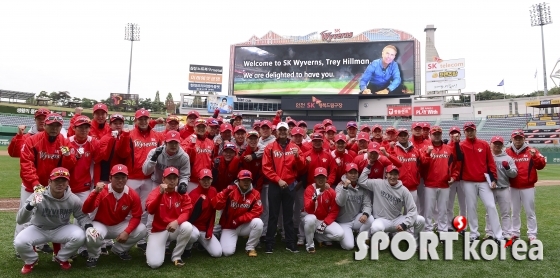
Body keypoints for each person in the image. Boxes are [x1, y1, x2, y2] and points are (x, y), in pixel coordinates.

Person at [18, 113, 77, 257]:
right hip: (32, 185)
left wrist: (68, 156)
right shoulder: (33, 140)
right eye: (51, 125)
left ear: (60, 127)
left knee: (57, 216)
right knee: (26, 215)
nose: (54, 128)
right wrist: (35, 184)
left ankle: (54, 248)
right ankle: (23, 249)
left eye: (57, 126)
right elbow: (26, 164)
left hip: (55, 187)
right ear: (45, 125)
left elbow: (70, 166)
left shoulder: (64, 142)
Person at [15, 167, 91, 274]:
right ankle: (31, 260)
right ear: (49, 182)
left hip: (61, 229)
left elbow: (82, 216)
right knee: (19, 241)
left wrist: (89, 227)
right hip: (39, 228)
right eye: (56, 180)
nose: (60, 184)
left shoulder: (73, 199)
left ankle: (61, 257)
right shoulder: (38, 195)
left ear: (67, 183)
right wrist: (30, 205)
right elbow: (20, 220)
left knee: (80, 235)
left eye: (63, 180)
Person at [82, 164, 147, 267]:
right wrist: (94, 193)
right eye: (116, 177)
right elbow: (86, 209)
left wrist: (127, 232)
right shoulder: (102, 191)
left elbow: (137, 216)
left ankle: (119, 250)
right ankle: (93, 256)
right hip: (100, 224)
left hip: (118, 225)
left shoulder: (132, 194)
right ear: (110, 178)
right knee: (92, 233)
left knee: (142, 229)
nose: (120, 180)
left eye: (123, 177)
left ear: (127, 178)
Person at [117, 108, 163, 250]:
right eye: (140, 119)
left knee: (144, 210)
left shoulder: (156, 135)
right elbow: (121, 153)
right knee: (126, 209)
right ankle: (121, 237)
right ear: (135, 120)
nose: (143, 121)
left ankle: (141, 240)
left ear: (149, 120)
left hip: (149, 178)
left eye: (145, 119)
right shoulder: (129, 134)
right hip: (132, 177)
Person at [262, 122, 306, 253]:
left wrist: (298, 158)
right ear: (276, 132)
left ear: (288, 132)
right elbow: (266, 168)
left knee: (288, 215)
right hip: (275, 185)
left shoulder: (295, 148)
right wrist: (278, 180)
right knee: (273, 215)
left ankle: (290, 243)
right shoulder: (270, 147)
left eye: (284, 130)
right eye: (280, 130)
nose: (282, 132)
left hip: (290, 185)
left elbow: (302, 168)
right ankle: (269, 243)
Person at [358, 165, 425, 247]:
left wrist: (405, 224)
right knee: (376, 228)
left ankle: (418, 245)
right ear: (386, 175)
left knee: (420, 220)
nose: (393, 177)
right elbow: (361, 181)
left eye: (395, 174)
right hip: (381, 220)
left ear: (398, 176)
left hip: (397, 220)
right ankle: (377, 239)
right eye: (390, 174)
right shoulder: (378, 183)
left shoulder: (403, 190)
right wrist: (369, 166)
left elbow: (412, 209)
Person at [458, 122, 502, 243]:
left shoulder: (484, 144)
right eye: (467, 130)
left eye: (471, 130)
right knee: (471, 207)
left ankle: (498, 235)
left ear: (475, 130)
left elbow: (490, 162)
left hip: (483, 181)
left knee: (491, 206)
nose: (470, 132)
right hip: (467, 181)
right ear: (464, 132)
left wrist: (493, 179)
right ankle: (474, 233)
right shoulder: (461, 145)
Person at [145, 167, 193, 268]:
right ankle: (159, 248)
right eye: (169, 178)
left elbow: (186, 211)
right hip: (158, 230)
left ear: (178, 180)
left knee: (188, 227)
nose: (172, 180)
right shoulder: (155, 192)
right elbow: (150, 210)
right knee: (154, 264)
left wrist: (177, 221)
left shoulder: (181, 193)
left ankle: (176, 256)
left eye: (174, 178)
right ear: (163, 179)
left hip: (174, 228)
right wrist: (160, 195)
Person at [506, 130, 546, 242]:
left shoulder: (532, 151)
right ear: (512, 139)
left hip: (528, 187)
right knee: (514, 212)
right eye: (516, 138)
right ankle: (514, 233)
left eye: (520, 138)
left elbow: (541, 165)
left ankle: (532, 234)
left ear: (524, 139)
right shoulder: (507, 152)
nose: (518, 140)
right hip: (513, 187)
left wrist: (535, 157)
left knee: (530, 212)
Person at [211, 170, 263, 257]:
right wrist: (224, 194)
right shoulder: (231, 190)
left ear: (251, 181)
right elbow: (216, 205)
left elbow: (257, 211)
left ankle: (250, 247)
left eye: (248, 180)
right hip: (229, 226)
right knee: (227, 252)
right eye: (243, 180)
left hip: (244, 225)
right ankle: (220, 233)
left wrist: (239, 220)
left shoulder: (255, 193)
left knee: (258, 222)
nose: (246, 182)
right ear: (238, 180)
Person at [420, 126, 461, 233]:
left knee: (443, 210)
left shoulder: (449, 149)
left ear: (441, 135)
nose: (437, 136)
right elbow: (422, 165)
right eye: (434, 134)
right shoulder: (426, 148)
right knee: (429, 210)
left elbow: (456, 165)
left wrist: (454, 176)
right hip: (430, 184)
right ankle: (428, 230)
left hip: (444, 184)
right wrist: (427, 153)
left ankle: (443, 230)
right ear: (430, 135)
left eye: (438, 134)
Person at [302, 167, 343, 253]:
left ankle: (318, 237)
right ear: (314, 178)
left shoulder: (331, 191)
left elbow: (334, 211)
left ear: (326, 178)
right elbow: (308, 209)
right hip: (311, 217)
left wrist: (325, 223)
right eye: (318, 177)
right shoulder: (309, 189)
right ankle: (310, 245)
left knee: (340, 235)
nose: (320, 179)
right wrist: (314, 200)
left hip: (323, 220)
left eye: (323, 177)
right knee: (310, 219)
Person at [485, 136, 517, 240]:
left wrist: (507, 168)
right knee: (489, 212)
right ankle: (489, 233)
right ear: (491, 144)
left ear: (502, 145)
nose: (497, 145)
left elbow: (514, 174)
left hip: (503, 188)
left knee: (505, 213)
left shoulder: (508, 158)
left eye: (499, 143)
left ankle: (506, 233)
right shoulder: (487, 156)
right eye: (495, 143)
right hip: (490, 189)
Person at [335, 163, 373, 250]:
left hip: (356, 219)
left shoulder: (362, 187)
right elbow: (340, 203)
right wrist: (345, 188)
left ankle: (359, 238)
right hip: (343, 222)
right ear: (346, 174)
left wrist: (365, 214)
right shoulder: (340, 186)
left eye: (355, 173)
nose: (353, 175)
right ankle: (344, 236)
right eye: (350, 173)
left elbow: (367, 204)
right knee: (349, 246)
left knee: (370, 218)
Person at [185, 169, 222, 258]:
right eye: (203, 179)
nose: (206, 182)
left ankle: (200, 243)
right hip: (193, 227)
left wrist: (209, 232)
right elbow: (189, 217)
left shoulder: (213, 191)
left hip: (204, 229)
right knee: (194, 234)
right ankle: (187, 248)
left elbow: (212, 214)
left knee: (217, 253)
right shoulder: (193, 194)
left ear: (212, 180)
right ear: (199, 180)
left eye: (208, 179)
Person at [142, 130, 190, 195]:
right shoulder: (155, 152)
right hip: (157, 183)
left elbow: (184, 175)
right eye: (170, 142)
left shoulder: (184, 157)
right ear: (165, 143)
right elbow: (146, 172)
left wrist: (183, 184)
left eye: (175, 143)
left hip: (174, 186)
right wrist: (153, 159)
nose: (173, 145)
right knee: (154, 203)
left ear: (179, 143)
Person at [182, 119, 215, 193]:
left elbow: (212, 159)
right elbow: (184, 157)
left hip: (206, 179)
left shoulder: (210, 142)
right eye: (198, 127)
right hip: (192, 180)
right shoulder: (188, 140)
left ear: (206, 128)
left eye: (203, 127)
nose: (201, 129)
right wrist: (191, 145)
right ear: (194, 128)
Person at [446, 126, 466, 231]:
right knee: (449, 204)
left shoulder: (463, 146)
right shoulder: (446, 146)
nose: (454, 135)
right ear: (449, 135)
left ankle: (461, 227)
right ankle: (449, 226)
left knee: (463, 205)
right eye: (452, 133)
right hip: (451, 180)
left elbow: (461, 158)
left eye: (456, 133)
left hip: (462, 179)